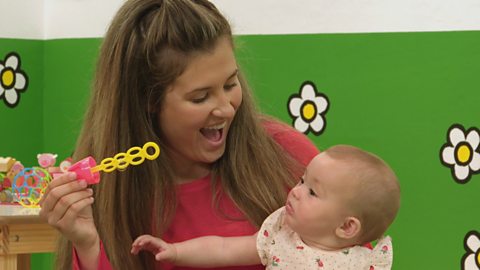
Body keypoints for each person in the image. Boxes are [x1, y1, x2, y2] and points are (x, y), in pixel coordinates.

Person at [38, 0, 319, 269]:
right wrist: (88, 247)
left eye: (231, 84)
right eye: (200, 97)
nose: (226, 109)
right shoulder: (105, 190)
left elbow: (349, 254)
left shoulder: (289, 156)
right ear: (148, 101)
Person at [131, 145, 401, 269]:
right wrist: (176, 250)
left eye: (312, 192)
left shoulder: (362, 264)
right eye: (301, 180)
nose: (295, 192)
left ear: (346, 226)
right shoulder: (280, 236)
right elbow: (224, 249)